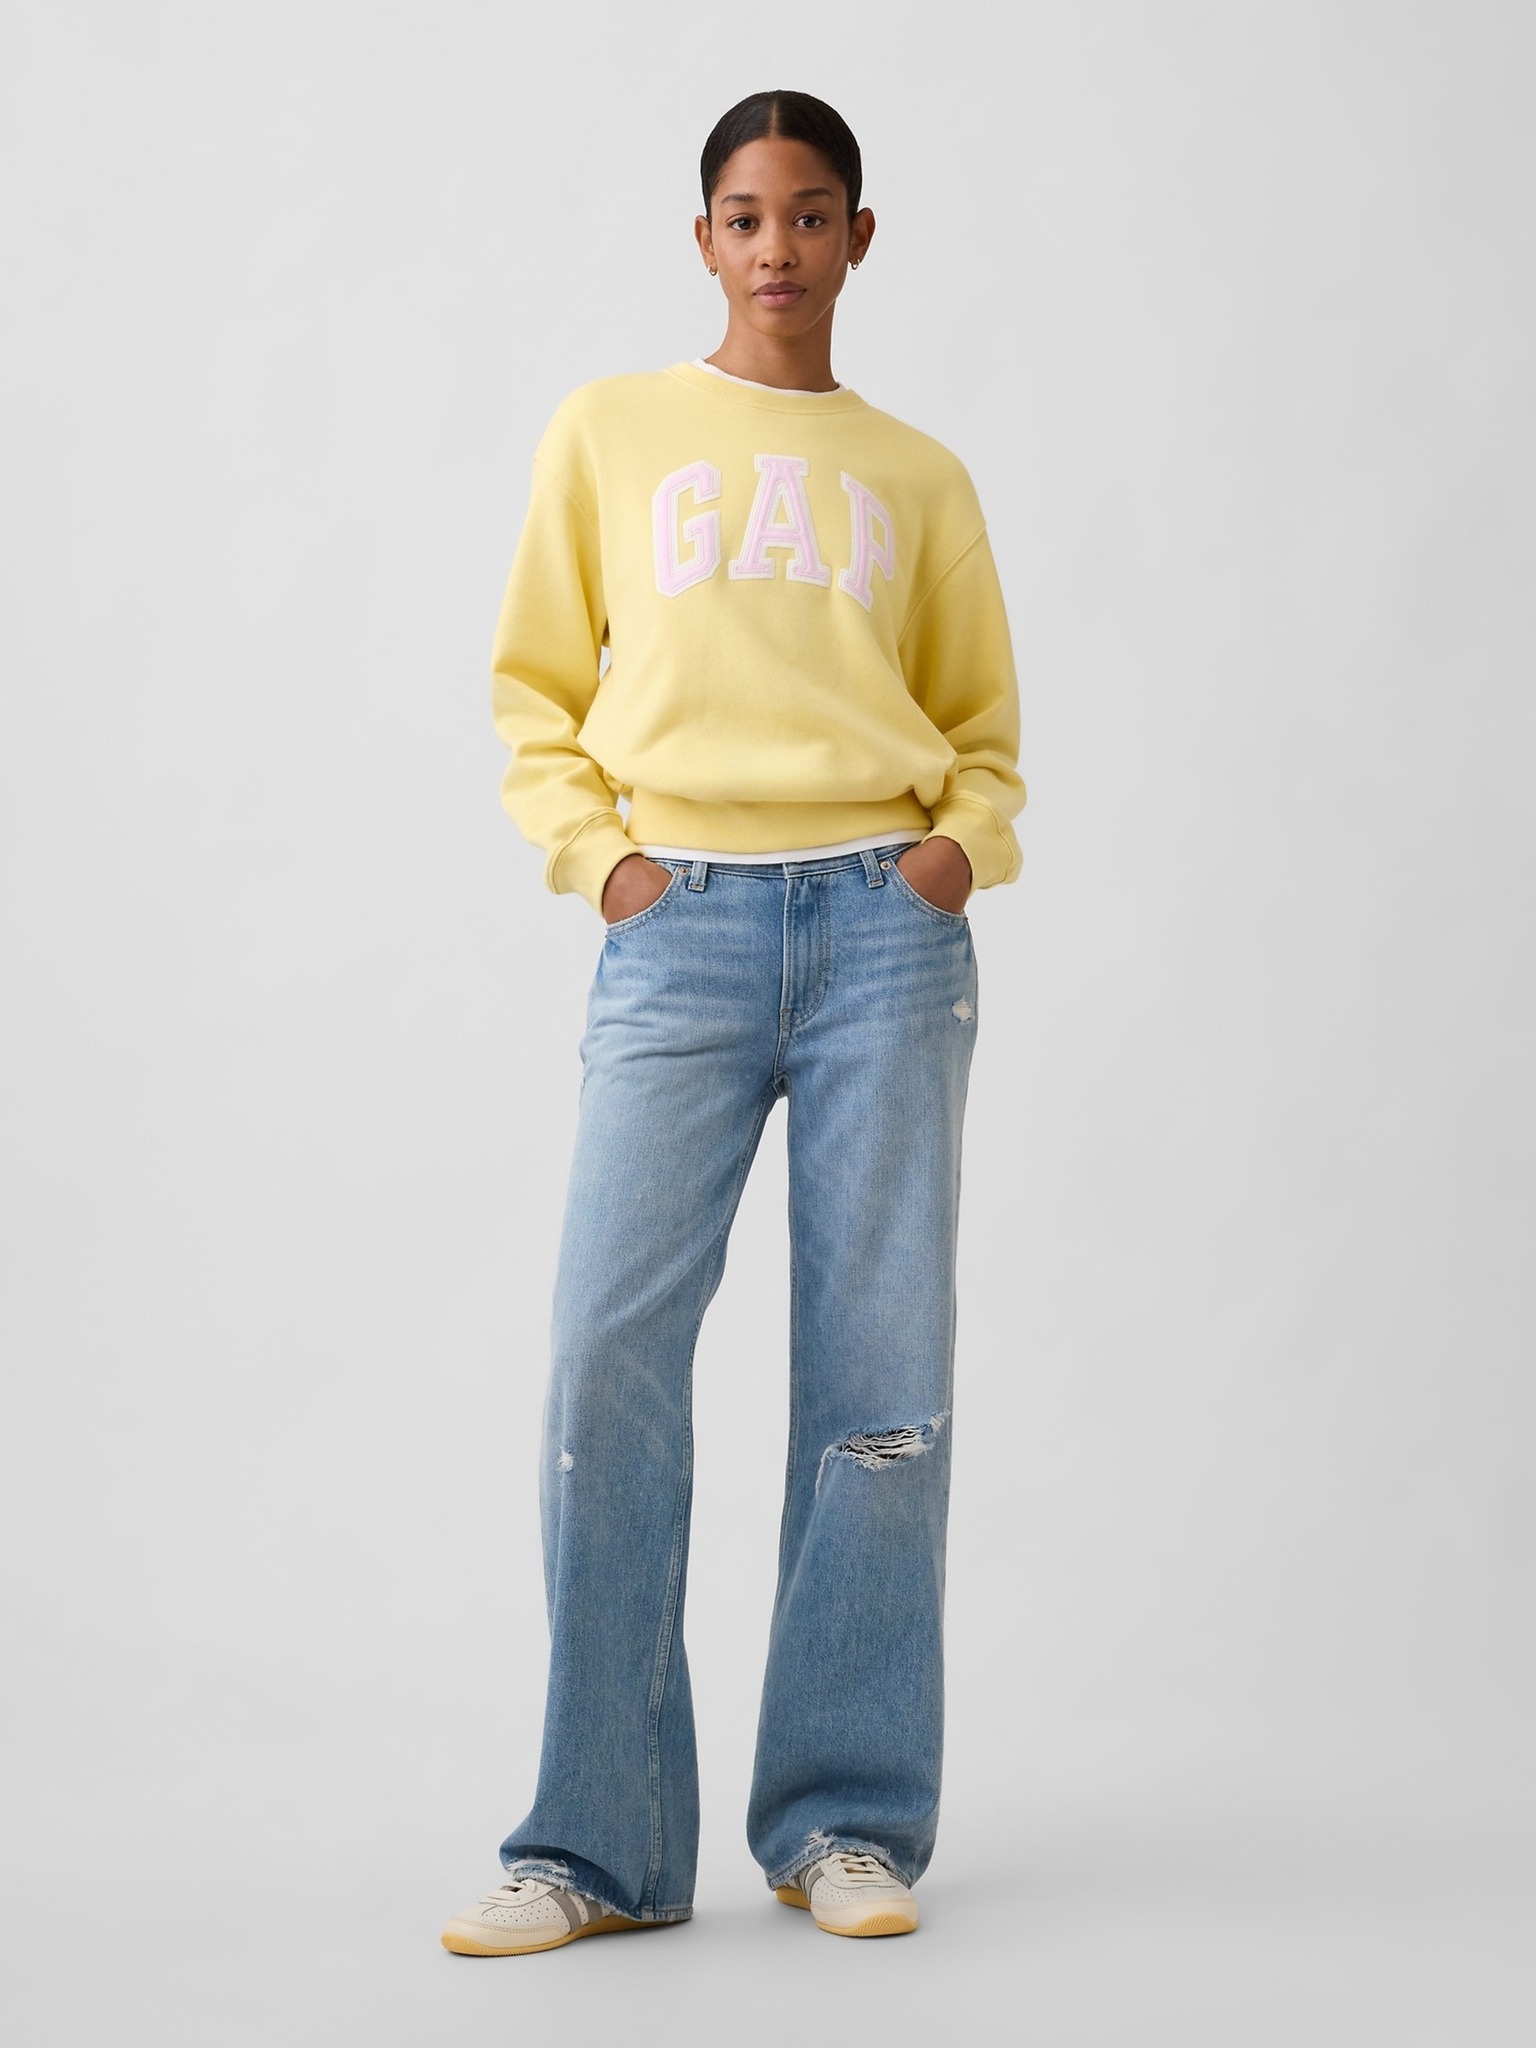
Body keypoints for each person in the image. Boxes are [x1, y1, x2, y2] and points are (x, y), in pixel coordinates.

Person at [441, 88, 1024, 1957]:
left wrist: (953, 856)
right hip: (675, 925)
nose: (779, 246)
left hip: (883, 933)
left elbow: (982, 728)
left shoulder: (918, 475)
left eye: (811, 213)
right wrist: (602, 862)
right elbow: (536, 687)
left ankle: (845, 1822)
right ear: (703, 239)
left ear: (862, 236)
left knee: (879, 1384)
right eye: (746, 216)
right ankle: (596, 1846)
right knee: (605, 1359)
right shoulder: (609, 432)